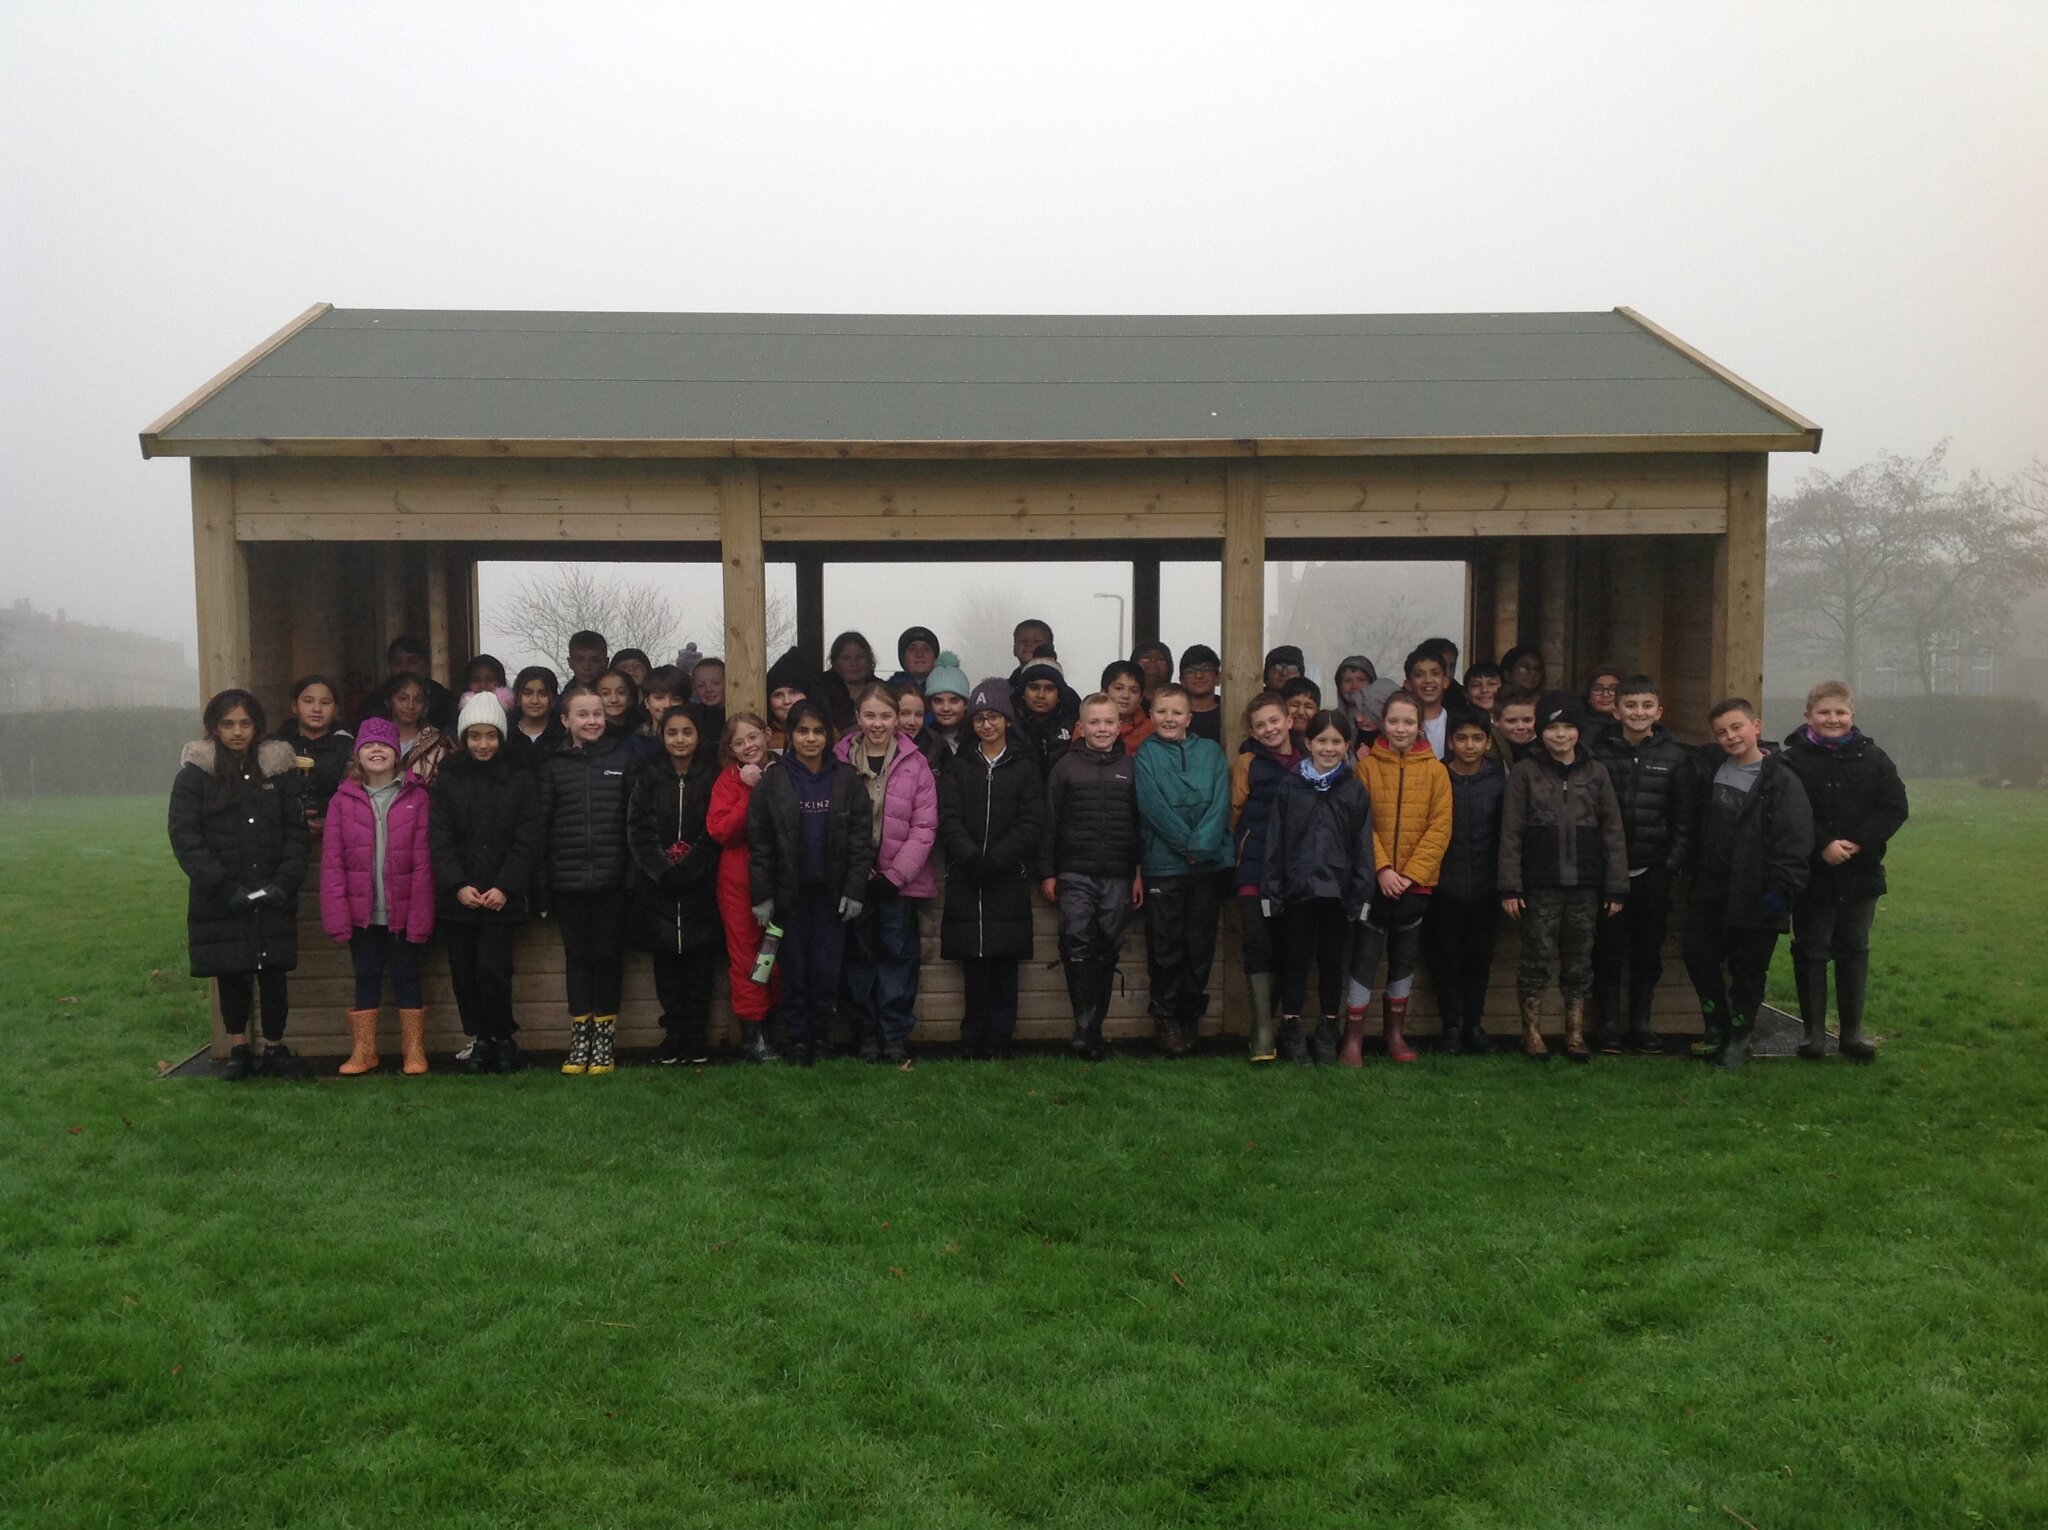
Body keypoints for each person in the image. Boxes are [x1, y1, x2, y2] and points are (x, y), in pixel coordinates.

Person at [168, 689, 310, 1081]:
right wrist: (222, 886)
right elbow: (185, 838)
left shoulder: (279, 773)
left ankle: (275, 1048)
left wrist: (284, 882)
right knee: (231, 972)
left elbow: (296, 833)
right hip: (220, 897)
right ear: (214, 727)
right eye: (228, 724)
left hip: (272, 892)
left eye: (244, 723)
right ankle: (239, 1049)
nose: (236, 732)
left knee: (274, 972)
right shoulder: (193, 777)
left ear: (257, 726)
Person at [1780, 681, 1909, 1063]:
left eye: (1840, 712)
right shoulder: (1793, 760)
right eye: (1824, 713)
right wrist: (1822, 844)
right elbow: (1789, 810)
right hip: (1812, 875)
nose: (1832, 719)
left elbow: (1894, 806)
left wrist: (1857, 842)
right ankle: (1813, 1035)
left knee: (1854, 949)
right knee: (1812, 950)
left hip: (1861, 873)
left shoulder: (1875, 759)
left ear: (1852, 715)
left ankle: (1851, 1033)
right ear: (1808, 717)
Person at [1497, 691, 1629, 1062]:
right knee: (1535, 959)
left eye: (1568, 727)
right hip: (1540, 885)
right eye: (1552, 728)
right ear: (1541, 731)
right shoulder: (1525, 772)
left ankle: (1574, 1034)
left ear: (1579, 731)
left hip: (1586, 885)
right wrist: (1510, 885)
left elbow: (1613, 832)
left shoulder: (1596, 771)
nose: (1560, 735)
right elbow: (1511, 833)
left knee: (1579, 961)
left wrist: (1617, 886)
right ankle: (1533, 1033)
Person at [1682, 698, 1814, 1068]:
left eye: (1736, 727)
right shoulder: (1711, 769)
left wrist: (1781, 889)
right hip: (1710, 885)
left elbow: (1796, 838)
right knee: (1697, 954)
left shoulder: (1780, 779)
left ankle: (1741, 1037)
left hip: (1758, 890)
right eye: (1721, 732)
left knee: (1748, 970)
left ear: (1756, 726)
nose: (1730, 736)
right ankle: (1715, 1027)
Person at [748, 700, 874, 1065]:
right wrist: (763, 896)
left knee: (826, 969)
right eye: (803, 730)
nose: (811, 738)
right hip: (790, 897)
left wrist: (854, 889)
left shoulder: (847, 779)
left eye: (818, 731)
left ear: (829, 735)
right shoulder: (774, 780)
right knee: (795, 971)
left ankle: (822, 1037)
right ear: (791, 734)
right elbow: (760, 843)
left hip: (831, 896)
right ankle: (798, 1040)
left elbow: (860, 840)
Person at [430, 691, 541, 1073]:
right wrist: (456, 885)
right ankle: (478, 1038)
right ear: (463, 737)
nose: (483, 744)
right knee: (464, 971)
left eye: (490, 736)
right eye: (475, 736)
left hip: (500, 895)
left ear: (502, 737)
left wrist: (505, 887)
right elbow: (439, 838)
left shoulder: (520, 779)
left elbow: (528, 838)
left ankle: (502, 1037)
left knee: (493, 970)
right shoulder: (447, 779)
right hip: (458, 896)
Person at [322, 717, 437, 1076]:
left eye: (384, 745)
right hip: (362, 913)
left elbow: (423, 864)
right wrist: (337, 914)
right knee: (366, 974)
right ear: (358, 754)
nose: (376, 750)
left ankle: (414, 1051)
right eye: (369, 745)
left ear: (396, 754)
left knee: (406, 975)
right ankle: (363, 1050)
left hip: (402, 910)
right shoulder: (342, 800)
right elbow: (332, 863)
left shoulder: (417, 797)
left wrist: (421, 914)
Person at [1261, 710, 1376, 1066]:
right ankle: (1291, 1032)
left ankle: (1328, 1032)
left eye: (1337, 742)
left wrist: (1360, 897)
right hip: (1298, 892)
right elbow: (1275, 843)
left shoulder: (1355, 790)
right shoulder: (1289, 787)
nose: (1329, 748)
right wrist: (1273, 891)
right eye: (1322, 741)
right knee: (1295, 961)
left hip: (1338, 896)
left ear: (1347, 746)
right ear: (1308, 743)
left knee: (1331, 962)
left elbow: (1362, 848)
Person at [938, 679, 1045, 1059]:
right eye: (980, 718)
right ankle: (973, 1038)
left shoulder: (1025, 767)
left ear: (1008, 721)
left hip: (1006, 878)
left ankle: (1000, 1039)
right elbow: (947, 817)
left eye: (994, 717)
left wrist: (997, 859)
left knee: (1004, 965)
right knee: (975, 968)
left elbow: (1032, 822)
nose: (987, 725)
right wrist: (970, 857)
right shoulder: (958, 766)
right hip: (968, 877)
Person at [1588, 675, 1695, 1054]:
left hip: (1654, 870)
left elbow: (1685, 818)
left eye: (1647, 706)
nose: (1639, 713)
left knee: (1648, 949)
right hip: (1608, 871)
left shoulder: (1676, 757)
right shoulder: (1597, 752)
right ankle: (1609, 1026)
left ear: (1659, 711)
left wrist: (1670, 865)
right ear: (1616, 710)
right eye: (1630, 706)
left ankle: (1643, 1024)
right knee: (1608, 949)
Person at [1346, 689, 1452, 1064]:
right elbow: (1359, 825)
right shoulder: (1366, 768)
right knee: (1364, 960)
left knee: (1403, 961)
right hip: (1374, 884)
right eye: (1394, 721)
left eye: (1409, 721)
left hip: (1416, 886)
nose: (1401, 728)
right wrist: (1383, 869)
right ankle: (1353, 1040)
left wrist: (1409, 875)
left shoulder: (1437, 771)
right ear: (1382, 723)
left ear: (1420, 725)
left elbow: (1440, 828)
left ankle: (1395, 1036)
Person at [836, 683, 939, 1064]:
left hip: (899, 882)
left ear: (898, 718)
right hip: (855, 879)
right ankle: (866, 1033)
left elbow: (925, 826)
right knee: (860, 956)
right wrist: (855, 872)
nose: (877, 724)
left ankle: (894, 1035)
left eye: (885, 716)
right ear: (857, 718)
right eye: (869, 715)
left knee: (897, 956)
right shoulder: (840, 758)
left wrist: (895, 876)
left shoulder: (916, 762)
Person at [537, 686, 637, 1077]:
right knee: (578, 959)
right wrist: (543, 885)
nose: (593, 720)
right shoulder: (552, 765)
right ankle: (580, 1039)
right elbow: (541, 829)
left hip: (614, 883)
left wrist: (630, 879)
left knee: (609, 959)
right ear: (565, 720)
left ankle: (604, 1041)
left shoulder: (625, 759)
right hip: (568, 883)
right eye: (583, 714)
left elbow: (634, 825)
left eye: (598, 713)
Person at [1040, 692, 1143, 1061]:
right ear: (1081, 727)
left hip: (1118, 873)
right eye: (1094, 723)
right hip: (1075, 871)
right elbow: (1049, 822)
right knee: (1076, 939)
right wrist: (1049, 871)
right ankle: (1083, 1025)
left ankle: (1095, 1027)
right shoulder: (1065, 767)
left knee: (1107, 945)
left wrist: (1137, 873)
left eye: (1109, 722)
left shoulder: (1132, 768)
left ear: (1120, 726)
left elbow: (1140, 825)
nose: (1102, 729)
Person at [1134, 684, 1232, 1056]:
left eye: (1177, 713)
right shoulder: (1145, 754)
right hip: (1165, 866)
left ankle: (1191, 1016)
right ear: (1152, 715)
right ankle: (1167, 1018)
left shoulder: (1210, 752)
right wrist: (1188, 846)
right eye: (1162, 712)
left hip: (1206, 866)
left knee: (1199, 945)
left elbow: (1221, 799)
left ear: (1189, 718)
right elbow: (1152, 806)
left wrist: (1202, 847)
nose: (1169, 719)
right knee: (1165, 948)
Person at [627, 702, 724, 1066]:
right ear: (661, 736)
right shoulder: (648, 778)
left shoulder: (712, 778)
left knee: (700, 968)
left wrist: (693, 867)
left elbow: (715, 829)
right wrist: (663, 870)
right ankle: (675, 1033)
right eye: (672, 733)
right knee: (667, 968)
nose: (679, 739)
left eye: (687, 732)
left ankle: (697, 1036)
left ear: (699, 736)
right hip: (660, 890)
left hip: (701, 889)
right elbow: (638, 830)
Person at [1424, 707, 1506, 1055]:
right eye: (1461, 738)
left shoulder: (1500, 781)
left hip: (1486, 888)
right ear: (1451, 742)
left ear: (1488, 742)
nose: (1469, 745)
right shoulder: (1437, 776)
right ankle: (1451, 1027)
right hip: (1444, 887)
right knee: (1445, 960)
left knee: (1478, 959)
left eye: (1477, 738)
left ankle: (1474, 1023)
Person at [706, 713, 781, 1062]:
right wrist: (750, 793)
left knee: (780, 955)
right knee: (748, 958)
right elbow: (721, 831)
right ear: (731, 749)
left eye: (753, 737)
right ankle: (754, 1037)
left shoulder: (786, 770)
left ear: (767, 736)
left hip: (783, 875)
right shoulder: (728, 780)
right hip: (739, 879)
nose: (749, 746)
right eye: (739, 742)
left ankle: (782, 1027)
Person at [1229, 691, 1298, 1062]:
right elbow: (1235, 812)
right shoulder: (1248, 763)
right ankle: (1261, 1030)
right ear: (1253, 732)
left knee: (1289, 947)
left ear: (1288, 720)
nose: (1269, 729)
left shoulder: (1310, 759)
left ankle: (1281, 1024)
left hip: (1298, 873)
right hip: (1254, 868)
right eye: (1260, 725)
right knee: (1258, 943)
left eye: (1274, 721)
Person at [272, 673, 353, 832]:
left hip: (337, 830)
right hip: (285, 832)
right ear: (294, 706)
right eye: (308, 701)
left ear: (335, 709)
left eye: (325, 702)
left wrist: (329, 817)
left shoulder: (348, 747)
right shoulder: (276, 746)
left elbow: (354, 796)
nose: (317, 709)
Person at [379, 673, 450, 784]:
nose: (410, 706)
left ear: (425, 704)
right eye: (403, 699)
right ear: (388, 702)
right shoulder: (373, 739)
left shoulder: (437, 742)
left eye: (418, 700)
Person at [1013, 654, 1078, 773]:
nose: (1041, 695)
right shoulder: (1008, 726)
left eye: (1049, 689)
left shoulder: (1074, 726)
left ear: (1059, 695)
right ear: (1023, 692)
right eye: (1034, 687)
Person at [387, 635, 457, 731]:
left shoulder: (445, 702)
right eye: (397, 663)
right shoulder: (374, 702)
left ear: (427, 666)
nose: (404, 669)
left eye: (412, 662)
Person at [506, 665, 565, 768]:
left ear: (554, 698)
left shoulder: (564, 734)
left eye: (543, 694)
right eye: (527, 694)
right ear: (518, 697)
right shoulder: (505, 733)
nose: (535, 701)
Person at [921, 656, 973, 768]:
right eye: (938, 701)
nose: (946, 708)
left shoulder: (980, 737)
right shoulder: (923, 740)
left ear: (966, 704)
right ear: (929, 705)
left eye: (954, 700)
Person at [1402, 645, 1452, 760]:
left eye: (1435, 673)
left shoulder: (1459, 720)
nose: (1428, 680)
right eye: (1419, 675)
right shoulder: (1399, 725)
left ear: (1445, 681)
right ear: (1408, 684)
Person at [821, 631, 878, 730]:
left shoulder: (882, 689)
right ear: (834, 662)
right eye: (846, 658)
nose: (854, 663)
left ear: (869, 659)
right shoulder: (821, 691)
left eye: (860, 657)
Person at [765, 647, 815, 753]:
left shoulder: (828, 734)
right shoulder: (761, 739)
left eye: (794, 693)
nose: (787, 701)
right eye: (778, 695)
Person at [1100, 660, 1154, 753]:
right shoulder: (1088, 726)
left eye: (1134, 690)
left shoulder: (1151, 730)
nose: (1125, 696)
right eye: (1118, 688)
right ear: (1104, 692)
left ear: (1141, 698)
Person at [1179, 644, 1224, 742]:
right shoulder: (1173, 714)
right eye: (1190, 671)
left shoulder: (1229, 711)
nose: (1199, 675)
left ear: (1218, 677)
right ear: (1181, 681)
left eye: (1205, 669)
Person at [889, 626, 941, 693]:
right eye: (912, 649)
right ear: (903, 658)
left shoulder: (948, 687)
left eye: (926, 649)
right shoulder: (888, 691)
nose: (919, 655)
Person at [1334, 657, 1378, 734]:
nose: (1354, 686)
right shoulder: (1331, 721)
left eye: (1361, 680)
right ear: (1339, 686)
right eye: (1348, 681)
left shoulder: (1384, 722)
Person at [1496, 688, 1540, 761]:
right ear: (1496, 721)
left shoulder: (1547, 751)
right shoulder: (1490, 750)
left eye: (1527, 720)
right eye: (1512, 721)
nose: (1521, 727)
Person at [1009, 618, 1055, 685]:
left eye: (1036, 641)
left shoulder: (1062, 691)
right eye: (1023, 641)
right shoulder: (1001, 690)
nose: (1028, 644)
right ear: (1014, 649)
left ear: (1050, 648)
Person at [691, 656, 727, 742]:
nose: (708, 689)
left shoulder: (738, 712)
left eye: (716, 683)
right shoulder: (692, 716)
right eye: (701, 685)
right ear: (694, 689)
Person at [1131, 639, 1174, 704]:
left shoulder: (1178, 700)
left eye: (1160, 659)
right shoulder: (1122, 700)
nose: (1153, 662)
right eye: (1146, 657)